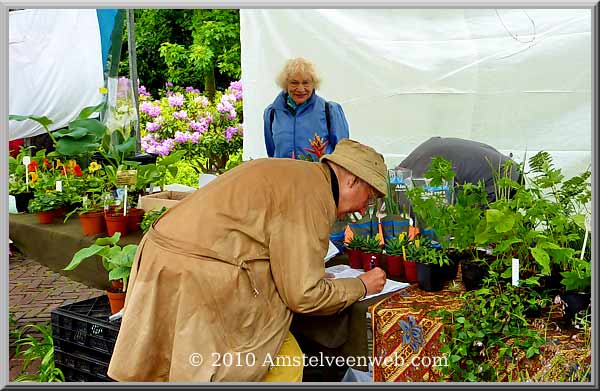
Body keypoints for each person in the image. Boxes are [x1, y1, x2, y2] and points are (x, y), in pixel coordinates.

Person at [107, 139, 388, 382]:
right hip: (197, 273)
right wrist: (360, 285)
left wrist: (305, 271)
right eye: (369, 198)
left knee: (171, 366)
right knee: (285, 362)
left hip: (163, 256)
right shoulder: (314, 196)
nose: (364, 208)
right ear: (352, 181)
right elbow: (304, 295)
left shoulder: (299, 175)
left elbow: (255, 238)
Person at [263, 57, 349, 160]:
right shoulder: (272, 113)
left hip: (319, 175)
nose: (300, 89)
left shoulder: (330, 111)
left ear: (314, 84)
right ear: (286, 84)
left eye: (306, 83)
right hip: (284, 175)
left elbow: (343, 155)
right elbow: (272, 153)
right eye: (294, 83)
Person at [398, 136, 523, 203]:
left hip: (501, 177)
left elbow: (428, 206)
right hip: (504, 167)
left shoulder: (418, 174)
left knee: (482, 232)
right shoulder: (419, 154)